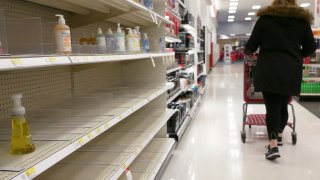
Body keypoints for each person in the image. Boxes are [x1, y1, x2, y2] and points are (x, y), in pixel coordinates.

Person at [245, 0, 316, 160]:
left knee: (272, 107)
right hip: (291, 69)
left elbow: (251, 46)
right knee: (283, 104)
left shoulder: (265, 20)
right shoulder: (302, 22)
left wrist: (251, 53)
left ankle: (273, 145)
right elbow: (311, 47)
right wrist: (296, 55)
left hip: (269, 68)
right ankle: (278, 135)